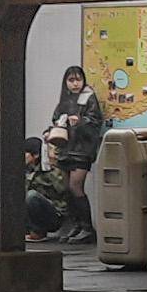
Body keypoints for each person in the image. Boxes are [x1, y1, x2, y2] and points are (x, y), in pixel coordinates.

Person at [40, 65, 107, 243]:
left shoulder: (89, 98)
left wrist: (80, 122)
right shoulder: (64, 100)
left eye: (78, 79)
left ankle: (86, 228)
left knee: (76, 186)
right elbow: (56, 121)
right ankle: (76, 225)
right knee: (67, 189)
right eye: (71, 80)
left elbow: (95, 122)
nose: (75, 84)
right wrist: (50, 132)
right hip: (66, 149)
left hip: (82, 150)